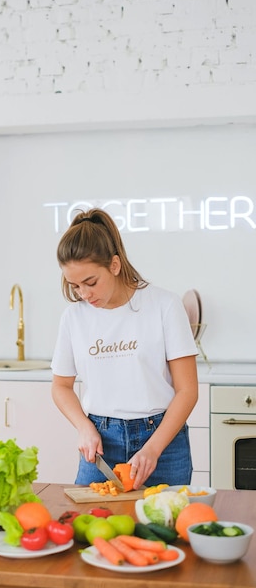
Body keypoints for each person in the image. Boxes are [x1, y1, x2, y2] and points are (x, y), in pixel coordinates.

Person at [51, 208, 199, 490]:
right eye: (75, 285)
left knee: (164, 529)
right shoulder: (74, 318)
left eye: (90, 282)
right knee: (91, 528)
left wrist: (153, 449)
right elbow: (61, 386)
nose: (84, 294)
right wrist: (83, 427)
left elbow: (187, 390)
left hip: (163, 441)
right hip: (101, 442)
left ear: (115, 265)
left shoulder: (164, 306)